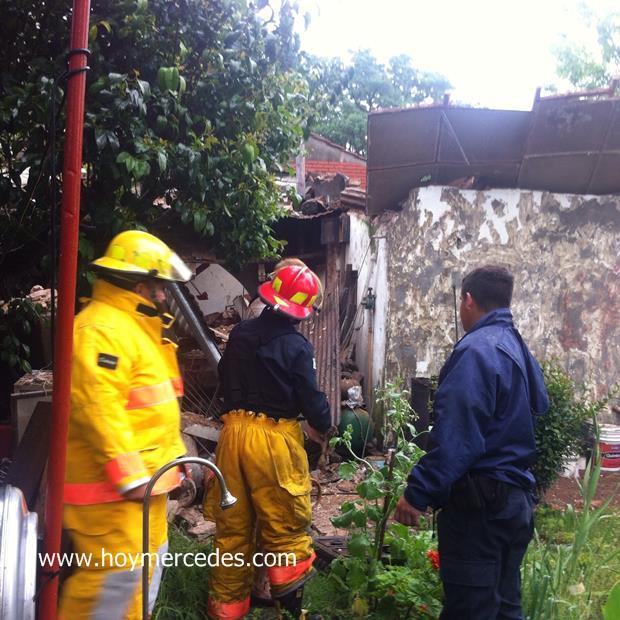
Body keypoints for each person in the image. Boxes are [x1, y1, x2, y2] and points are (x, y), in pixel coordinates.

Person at [394, 265, 549, 619]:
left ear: (468, 300)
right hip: (515, 503)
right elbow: (540, 405)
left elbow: (458, 436)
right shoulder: (517, 347)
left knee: (471, 610)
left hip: (481, 510)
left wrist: (418, 491)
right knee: (505, 608)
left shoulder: (476, 351)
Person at [59, 230, 192, 620]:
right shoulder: (101, 330)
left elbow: (149, 414)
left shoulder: (135, 329)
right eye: (160, 287)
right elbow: (98, 407)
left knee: (142, 575)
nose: (164, 294)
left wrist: (173, 464)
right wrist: (132, 476)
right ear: (139, 285)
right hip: (111, 494)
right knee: (113, 586)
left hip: (144, 490)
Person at [205, 260, 331, 620]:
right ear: (302, 309)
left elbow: (224, 374)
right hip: (273, 443)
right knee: (285, 529)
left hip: (232, 436)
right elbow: (312, 401)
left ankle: (226, 612)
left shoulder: (241, 333)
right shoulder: (297, 346)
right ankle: (291, 613)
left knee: (232, 530)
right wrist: (324, 424)